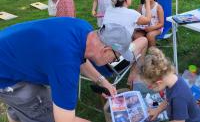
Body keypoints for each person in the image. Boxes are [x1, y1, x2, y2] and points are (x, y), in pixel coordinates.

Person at [0, 17, 138, 122]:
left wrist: (103, 82)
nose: (112, 61)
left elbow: (80, 59)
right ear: (106, 50)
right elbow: (64, 120)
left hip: (12, 52)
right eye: (115, 58)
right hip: (6, 72)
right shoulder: (65, 65)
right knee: (43, 112)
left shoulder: (84, 29)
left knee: (25, 106)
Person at [102, 0, 152, 84]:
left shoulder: (109, 9)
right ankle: (134, 76)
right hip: (116, 63)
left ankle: (134, 74)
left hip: (101, 60)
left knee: (130, 39)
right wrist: (148, 1)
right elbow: (148, 19)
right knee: (143, 40)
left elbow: (121, 3)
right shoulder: (132, 14)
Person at [139, 48, 200, 122]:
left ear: (159, 83)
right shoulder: (172, 80)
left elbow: (179, 121)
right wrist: (157, 110)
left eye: (150, 86)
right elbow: (168, 100)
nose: (149, 88)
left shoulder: (178, 97)